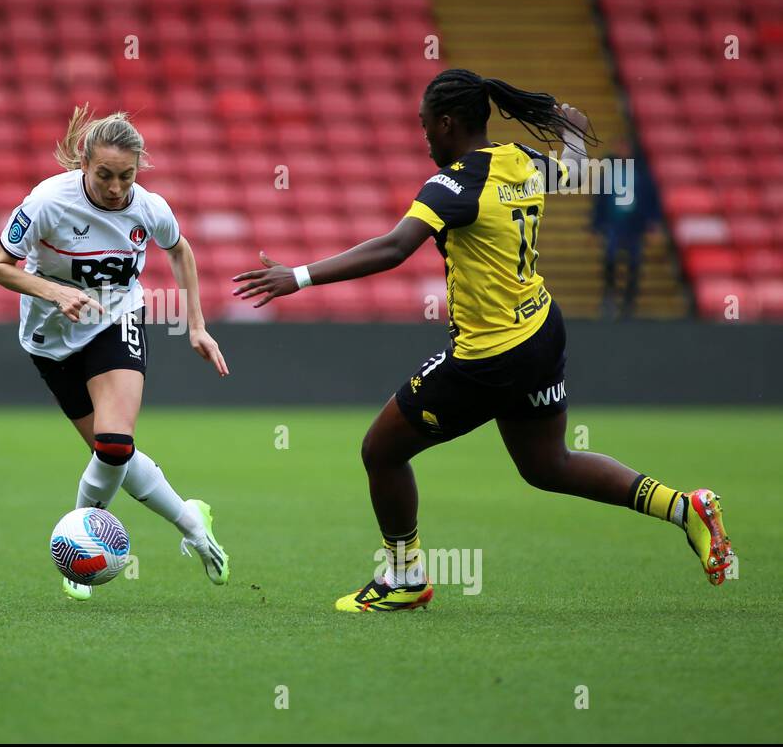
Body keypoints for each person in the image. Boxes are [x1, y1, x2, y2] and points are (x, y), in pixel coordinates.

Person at [232, 68, 734, 611]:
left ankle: (403, 578)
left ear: (448, 124)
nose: (425, 141)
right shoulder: (519, 160)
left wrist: (299, 276)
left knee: (381, 450)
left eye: (427, 129)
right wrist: (572, 134)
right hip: (541, 329)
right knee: (548, 465)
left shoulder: (455, 182)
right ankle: (686, 508)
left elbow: (395, 248)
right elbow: (571, 172)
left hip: (491, 353)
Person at [0, 104, 231, 600]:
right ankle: (191, 520)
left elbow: (180, 250)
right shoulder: (47, 203)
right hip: (48, 340)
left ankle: (76, 552)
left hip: (115, 322)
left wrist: (196, 326)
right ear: (83, 163)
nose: (117, 188)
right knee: (110, 453)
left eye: (127, 175)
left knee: (114, 444)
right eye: (105, 175)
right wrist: (54, 292)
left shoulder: (149, 207)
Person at [592, 134, 660, 319]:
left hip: (634, 226)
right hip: (614, 224)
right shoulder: (608, 171)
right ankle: (610, 296)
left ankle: (629, 301)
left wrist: (652, 223)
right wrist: (597, 224)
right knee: (610, 261)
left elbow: (650, 198)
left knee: (634, 264)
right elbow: (600, 199)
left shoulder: (641, 171)